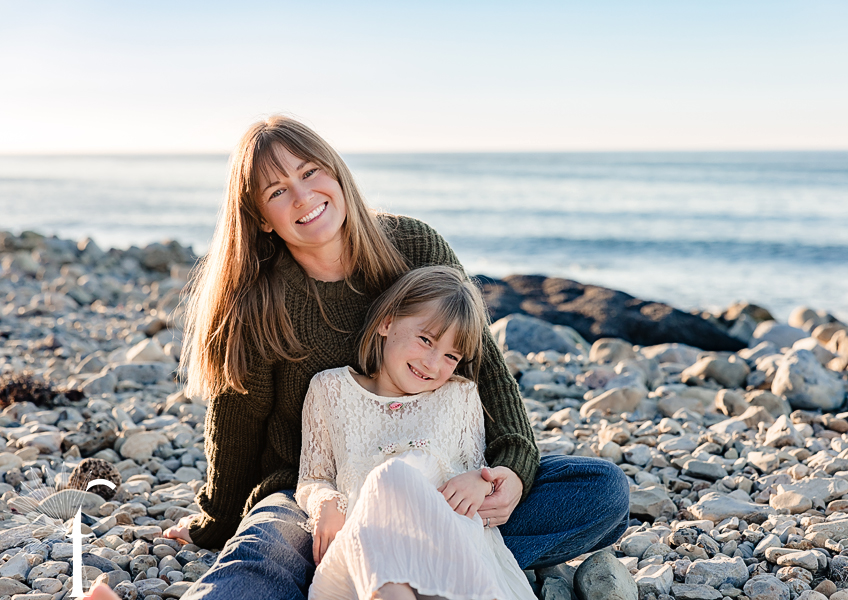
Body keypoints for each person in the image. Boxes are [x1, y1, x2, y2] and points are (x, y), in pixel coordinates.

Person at [83, 115, 629, 600]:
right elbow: (237, 424)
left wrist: (510, 469)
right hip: (318, 495)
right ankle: (397, 565)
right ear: (261, 218)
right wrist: (216, 522)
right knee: (264, 555)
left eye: (310, 171)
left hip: (437, 481)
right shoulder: (257, 304)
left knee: (601, 490)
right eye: (277, 190)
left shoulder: (413, 247)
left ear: (337, 172)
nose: (302, 196)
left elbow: (482, 365)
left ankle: (381, 565)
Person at [301, 265, 535, 599]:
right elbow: (313, 476)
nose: (433, 364)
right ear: (387, 322)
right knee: (387, 479)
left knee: (394, 476)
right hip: (364, 545)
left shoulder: (459, 394)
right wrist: (325, 502)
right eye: (425, 340)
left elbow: (472, 469)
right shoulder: (330, 389)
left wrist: (481, 481)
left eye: (451, 356)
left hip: (444, 542)